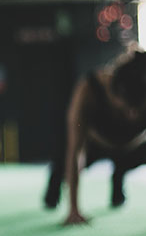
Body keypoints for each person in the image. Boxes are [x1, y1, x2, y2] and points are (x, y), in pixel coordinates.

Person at [44, 47, 146, 225]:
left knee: (124, 162)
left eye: (138, 108)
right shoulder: (89, 89)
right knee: (62, 162)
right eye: (127, 108)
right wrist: (74, 210)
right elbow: (76, 151)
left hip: (132, 147)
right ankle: (54, 186)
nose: (132, 115)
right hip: (95, 145)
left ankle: (118, 174)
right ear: (114, 92)